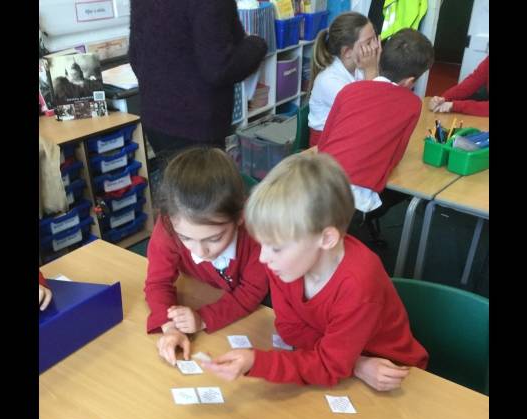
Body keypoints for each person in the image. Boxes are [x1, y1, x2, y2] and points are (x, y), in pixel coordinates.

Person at [201, 153, 428, 391]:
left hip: (391, 373)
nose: (263, 258)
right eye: (262, 244)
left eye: (276, 247)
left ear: (326, 239)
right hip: (343, 364)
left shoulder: (358, 284)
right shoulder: (285, 265)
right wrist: (355, 364)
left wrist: (256, 361)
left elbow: (329, 366)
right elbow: (290, 329)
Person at [144, 147, 269, 366]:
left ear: (240, 217)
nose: (200, 251)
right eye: (186, 238)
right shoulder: (168, 226)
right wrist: (171, 327)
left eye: (214, 239)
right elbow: (158, 282)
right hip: (205, 290)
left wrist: (203, 318)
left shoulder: (258, 232)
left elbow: (251, 292)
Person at [318, 28, 434, 244]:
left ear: (380, 58)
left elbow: (324, 142)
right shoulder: (412, 104)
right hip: (353, 203)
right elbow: (395, 156)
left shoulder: (350, 90)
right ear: (410, 81)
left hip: (317, 181)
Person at [129, 0, 267, 156]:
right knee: (204, 172)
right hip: (197, 125)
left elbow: (135, 57)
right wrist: (257, 45)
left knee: (170, 171)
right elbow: (220, 69)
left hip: (155, 117)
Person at [307, 11, 381, 148]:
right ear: (347, 52)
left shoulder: (358, 69)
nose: (376, 46)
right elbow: (368, 114)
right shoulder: (329, 81)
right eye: (369, 42)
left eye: (375, 38)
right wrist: (372, 69)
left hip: (348, 135)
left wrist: (371, 70)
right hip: (324, 147)